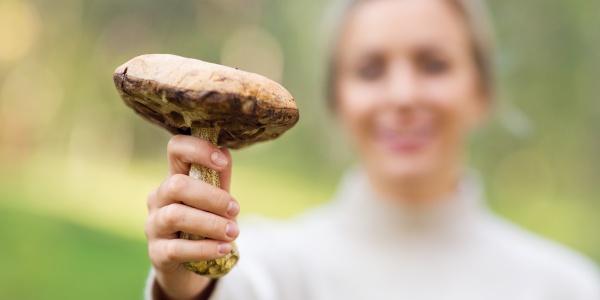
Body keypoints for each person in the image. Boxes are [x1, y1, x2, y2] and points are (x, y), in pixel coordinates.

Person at [144, 0, 600, 299]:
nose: (402, 95)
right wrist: (187, 285)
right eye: (370, 69)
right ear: (338, 99)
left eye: (434, 64)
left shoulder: (569, 286)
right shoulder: (267, 263)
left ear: (480, 90)